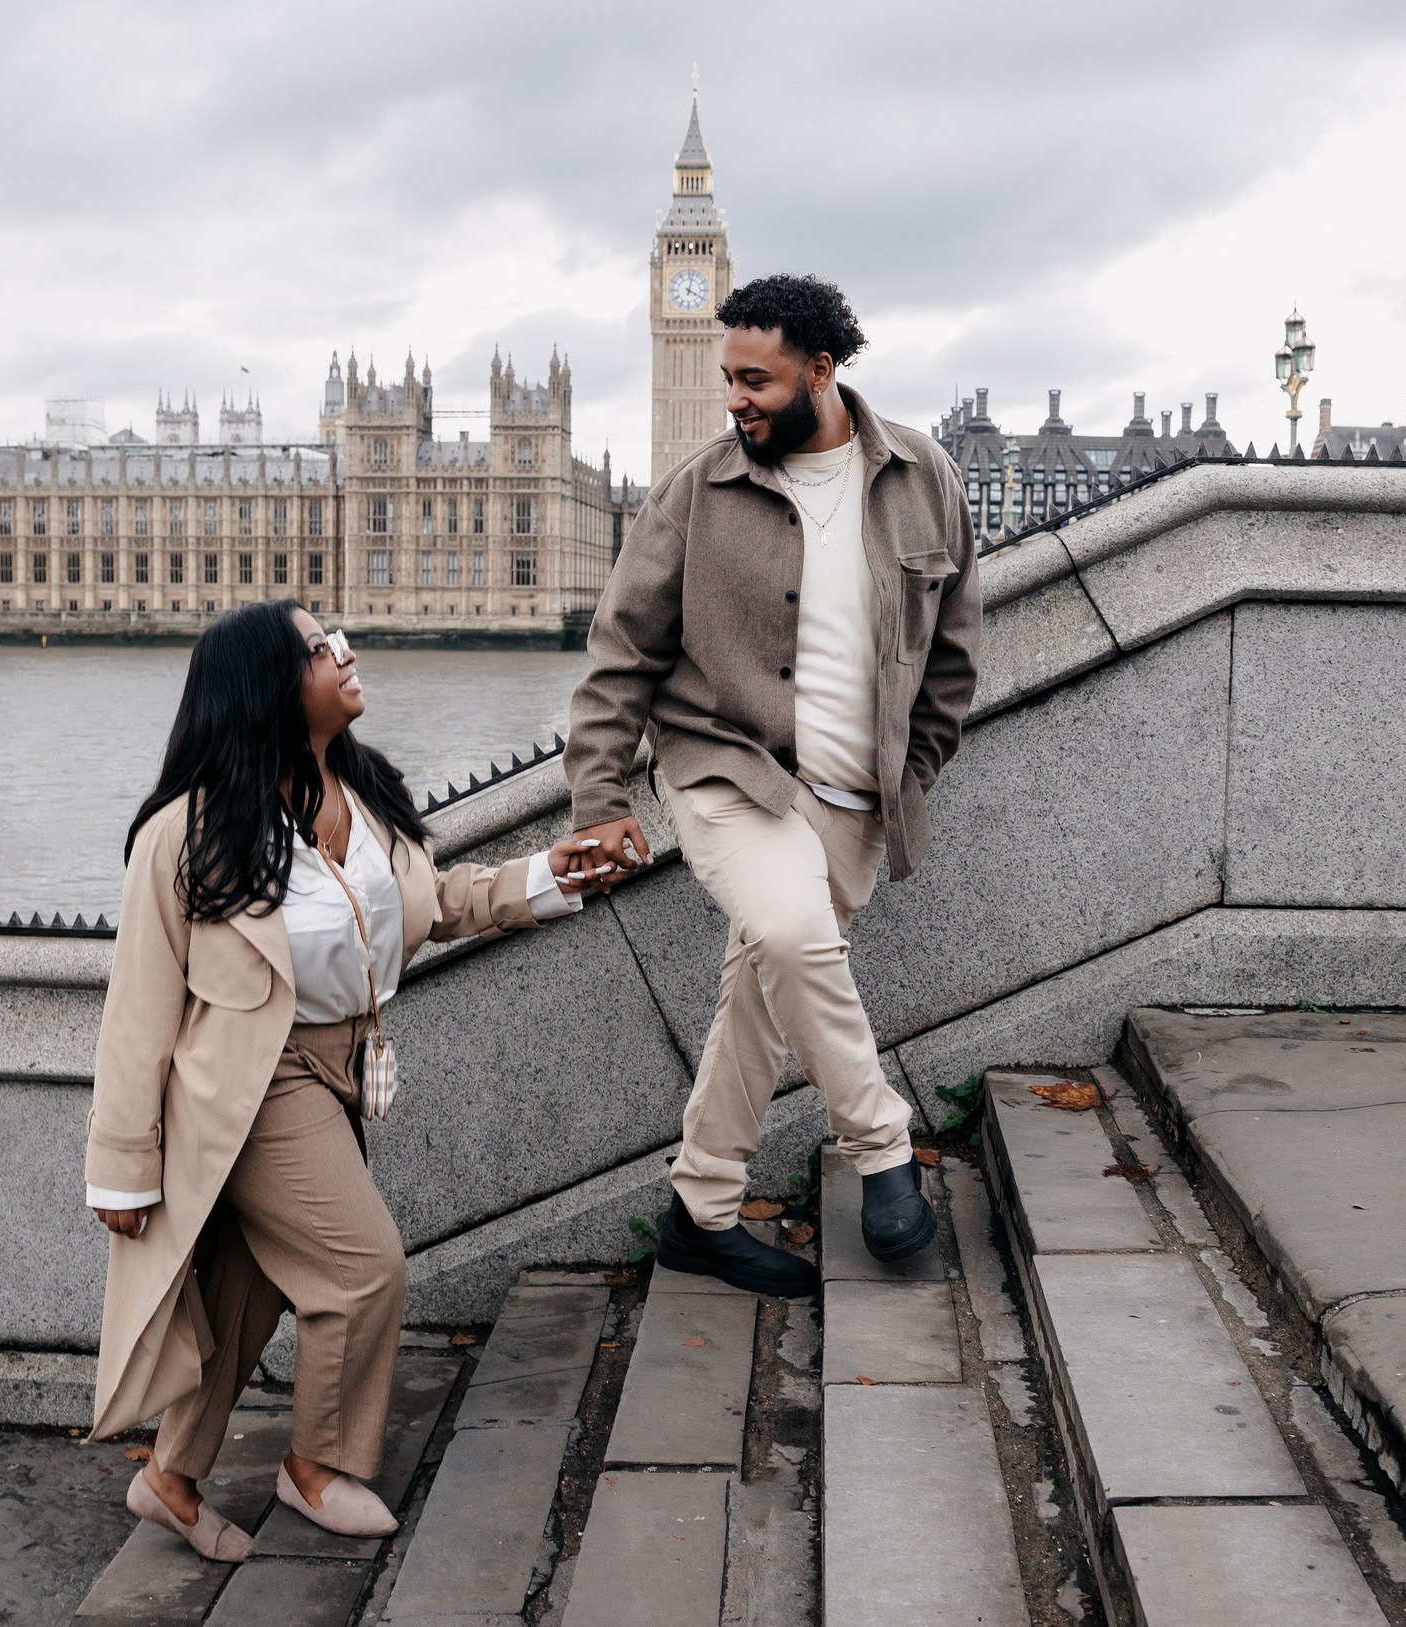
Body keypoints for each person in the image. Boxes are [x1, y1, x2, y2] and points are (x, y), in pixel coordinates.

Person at [83, 601, 601, 1562]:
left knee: (249, 1290)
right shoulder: (184, 834)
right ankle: (315, 1465)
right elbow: (138, 1008)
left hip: (343, 1064)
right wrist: (122, 1167)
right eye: (321, 649)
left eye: (336, 639)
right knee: (363, 1268)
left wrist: (544, 876)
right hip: (255, 1076)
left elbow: (428, 904)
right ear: (270, 687)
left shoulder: (363, 794)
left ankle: (170, 1476)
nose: (346, 652)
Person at [564, 273, 981, 1297]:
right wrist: (601, 800)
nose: (736, 400)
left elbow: (955, 655)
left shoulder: (925, 477)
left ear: (822, 370)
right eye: (725, 380)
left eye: (756, 380)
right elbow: (620, 653)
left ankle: (699, 1209)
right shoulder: (695, 491)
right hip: (726, 771)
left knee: (759, 991)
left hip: (853, 803)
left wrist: (910, 770)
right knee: (796, 939)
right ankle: (880, 1146)